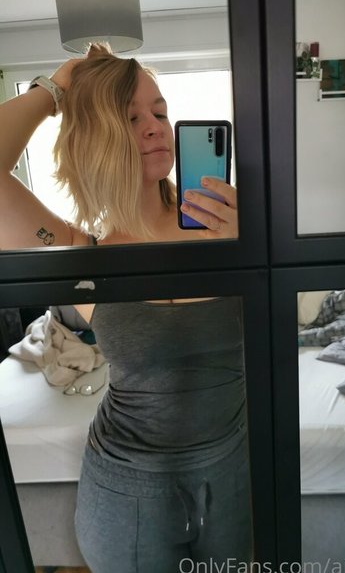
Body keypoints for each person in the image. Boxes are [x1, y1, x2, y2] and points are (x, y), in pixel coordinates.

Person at [0, 44, 252, 572]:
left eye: (160, 112)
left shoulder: (230, 226)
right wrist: (55, 89)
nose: (156, 127)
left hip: (231, 472)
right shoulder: (78, 254)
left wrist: (250, 249)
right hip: (125, 490)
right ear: (96, 135)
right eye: (131, 117)